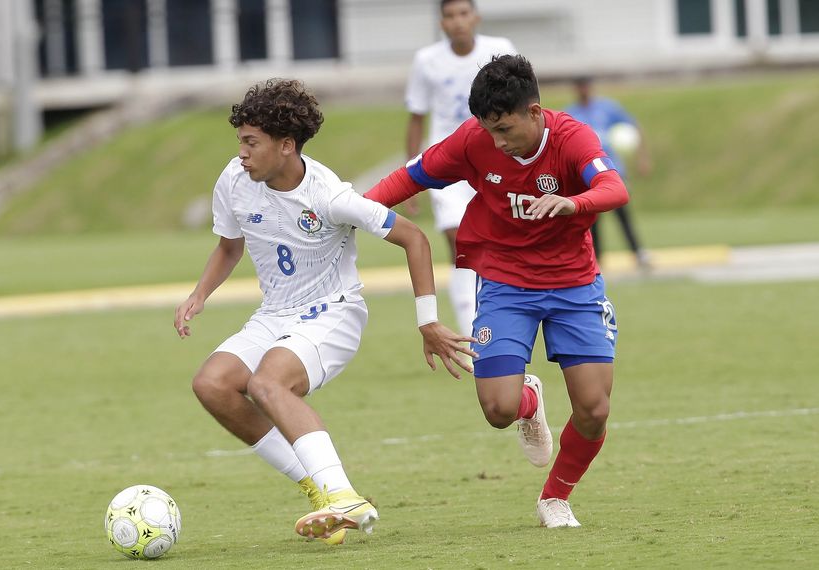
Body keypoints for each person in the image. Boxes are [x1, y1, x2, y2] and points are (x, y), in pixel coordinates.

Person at [174, 79, 475, 544]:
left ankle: (344, 495)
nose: (242, 153)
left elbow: (414, 238)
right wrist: (200, 295)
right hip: (275, 313)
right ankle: (321, 492)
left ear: (287, 145)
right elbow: (229, 246)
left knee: (268, 384)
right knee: (211, 385)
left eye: (251, 143)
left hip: (333, 313)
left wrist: (428, 320)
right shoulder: (234, 181)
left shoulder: (330, 196)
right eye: (240, 141)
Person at [365, 55, 629, 528]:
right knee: (498, 410)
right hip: (507, 284)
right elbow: (410, 177)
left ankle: (555, 499)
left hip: (575, 285)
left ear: (534, 112)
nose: (497, 142)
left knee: (593, 409)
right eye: (489, 130)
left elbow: (613, 187)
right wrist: (355, 210)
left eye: (505, 129)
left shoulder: (573, 138)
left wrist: (572, 202)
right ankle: (527, 398)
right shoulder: (474, 142)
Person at [403, 0, 516, 336]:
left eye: (463, 14)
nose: (458, 22)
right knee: (460, 243)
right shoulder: (427, 61)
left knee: (499, 244)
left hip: (496, 158)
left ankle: (502, 321)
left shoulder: (501, 49)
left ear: (476, 17)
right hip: (449, 164)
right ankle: (474, 335)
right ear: (442, 23)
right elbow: (416, 117)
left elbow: (522, 104)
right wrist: (412, 177)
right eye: (450, 16)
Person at [564, 76, 652, 270]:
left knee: (622, 213)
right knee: (592, 218)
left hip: (613, 170)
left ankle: (638, 253)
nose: (583, 90)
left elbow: (633, 125)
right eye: (579, 87)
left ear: (591, 87)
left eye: (586, 86)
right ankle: (597, 259)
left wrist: (643, 157)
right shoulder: (572, 113)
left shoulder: (607, 108)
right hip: (586, 174)